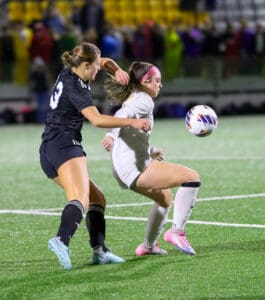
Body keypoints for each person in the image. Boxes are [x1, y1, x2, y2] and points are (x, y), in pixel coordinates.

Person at [39, 42, 151, 270]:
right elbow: (97, 119)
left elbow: (105, 62)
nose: (98, 71)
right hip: (64, 144)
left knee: (97, 199)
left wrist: (117, 70)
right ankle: (61, 240)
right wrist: (133, 121)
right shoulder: (75, 87)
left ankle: (100, 250)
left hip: (49, 149)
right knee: (80, 198)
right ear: (86, 65)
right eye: (96, 69)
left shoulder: (73, 66)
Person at [102, 62, 201, 256]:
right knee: (192, 177)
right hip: (133, 168)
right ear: (145, 82)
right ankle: (177, 233)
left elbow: (130, 132)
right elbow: (121, 116)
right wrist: (111, 135)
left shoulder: (136, 98)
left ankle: (147, 246)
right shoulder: (144, 100)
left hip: (125, 166)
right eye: (157, 81)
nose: (160, 85)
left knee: (165, 198)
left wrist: (150, 150)